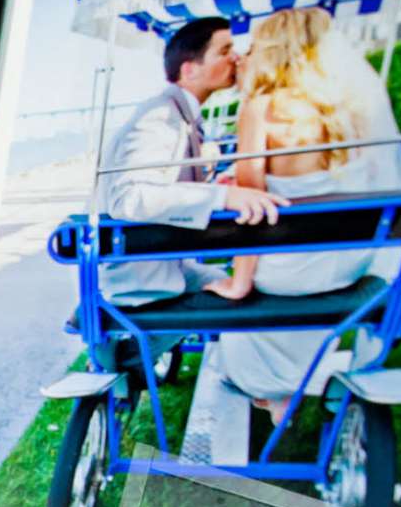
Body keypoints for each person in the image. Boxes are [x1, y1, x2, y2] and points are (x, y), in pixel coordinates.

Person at [186, 11, 401, 462]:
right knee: (302, 302)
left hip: (289, 271)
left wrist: (239, 282)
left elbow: (252, 207)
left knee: (247, 326)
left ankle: (274, 397)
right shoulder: (352, 110)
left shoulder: (261, 107)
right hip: (352, 264)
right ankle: (300, 390)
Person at [97, 16, 289, 310]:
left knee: (243, 286)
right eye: (224, 52)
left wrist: (217, 184)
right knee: (251, 297)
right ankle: (127, 353)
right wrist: (224, 197)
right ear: (189, 69)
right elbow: (130, 198)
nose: (236, 58)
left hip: (171, 265)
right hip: (145, 280)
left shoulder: (181, 114)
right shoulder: (160, 117)